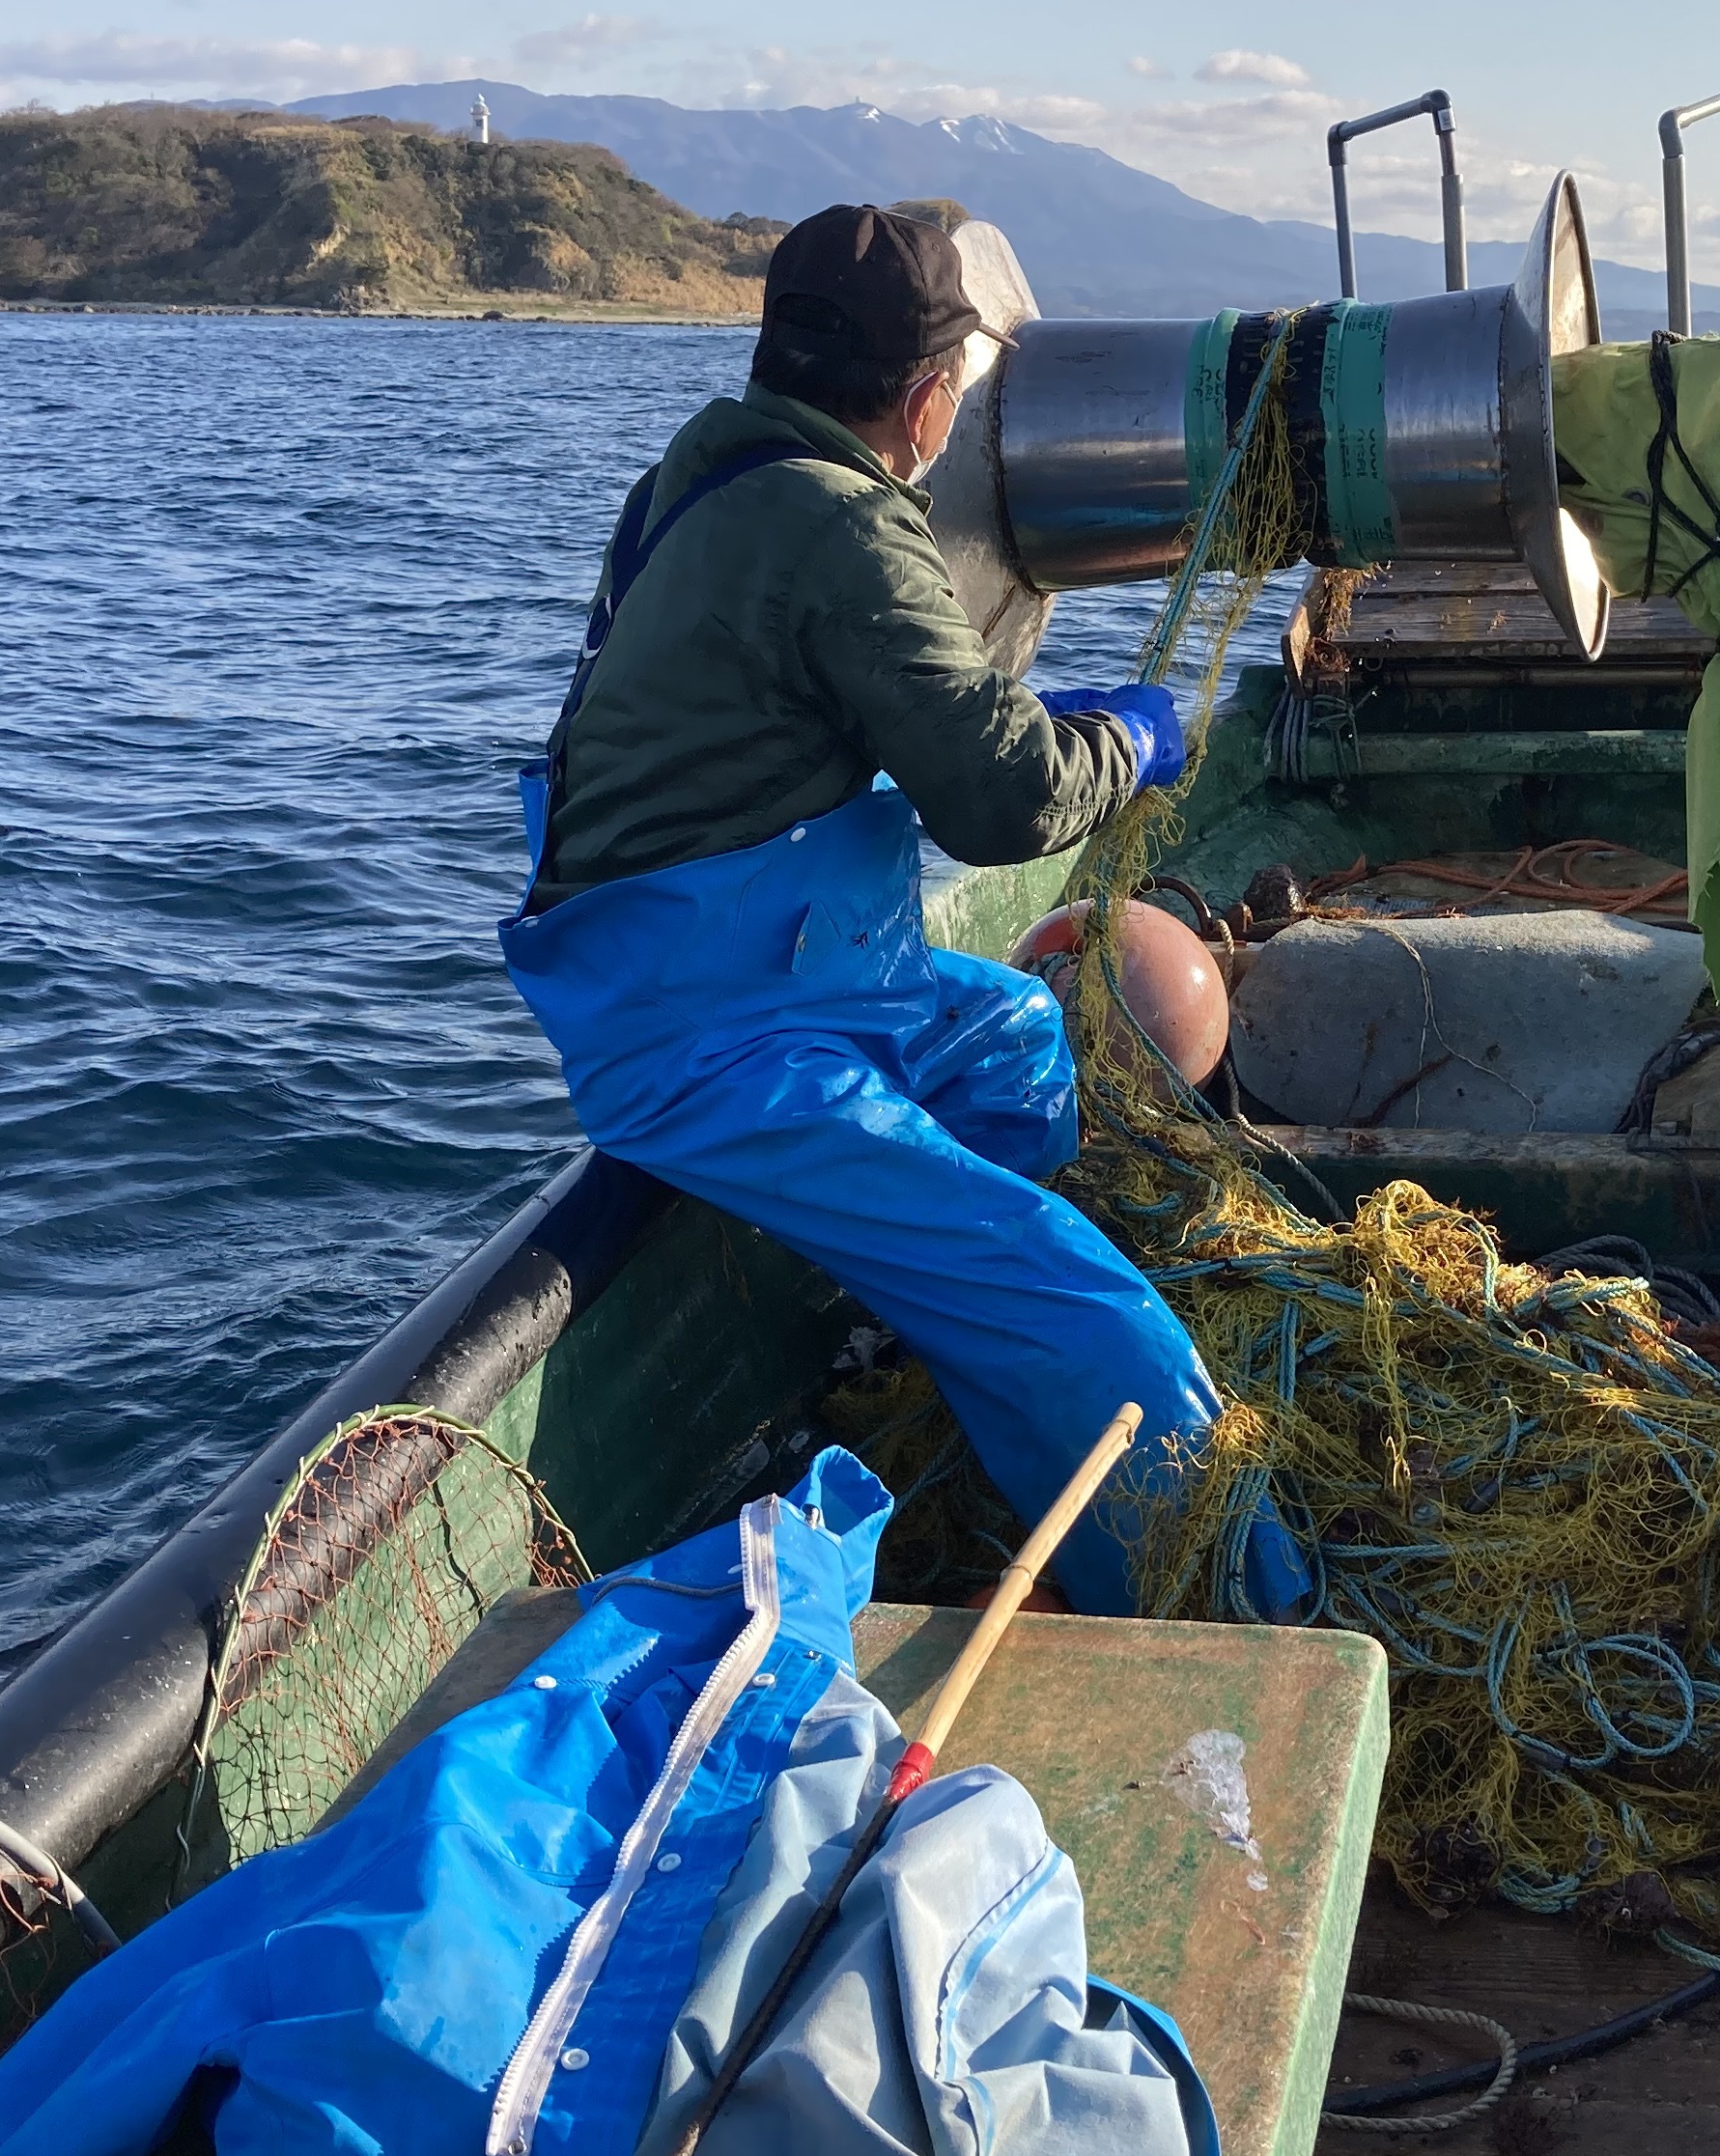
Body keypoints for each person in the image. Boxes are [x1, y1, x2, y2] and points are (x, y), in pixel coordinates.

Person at [500, 205, 1302, 1618]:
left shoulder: (703, 471)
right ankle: (1247, 1614)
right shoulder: (847, 526)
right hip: (711, 1038)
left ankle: (946, 1325)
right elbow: (998, 810)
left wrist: (1027, 729)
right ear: (933, 401)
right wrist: (1130, 740)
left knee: (1017, 1042)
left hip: (781, 969)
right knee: (1082, 1303)